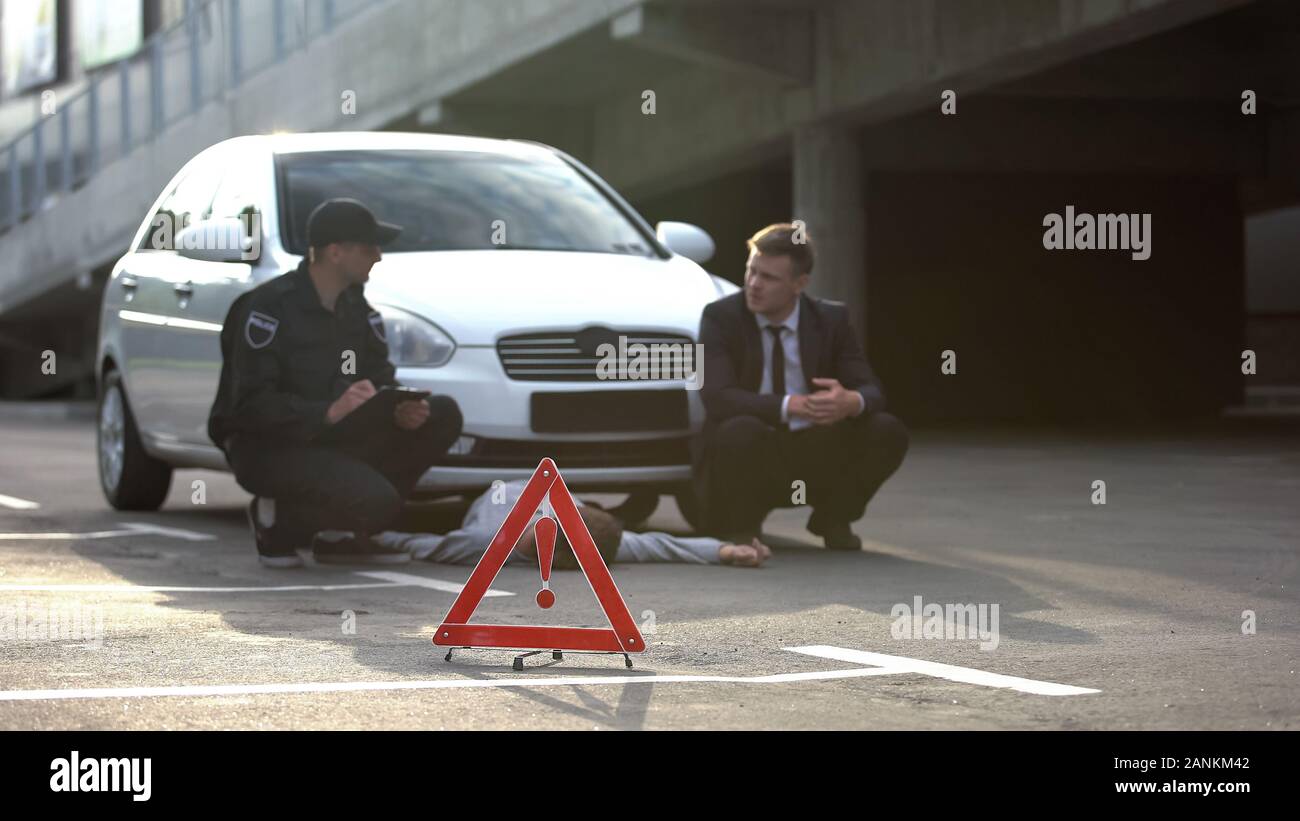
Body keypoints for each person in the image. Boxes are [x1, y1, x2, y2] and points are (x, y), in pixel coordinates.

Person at [208, 198, 463, 567]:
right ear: (335, 252)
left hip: (334, 440)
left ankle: (342, 534)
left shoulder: (357, 309)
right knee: (377, 500)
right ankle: (277, 522)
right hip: (269, 447)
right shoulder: (267, 309)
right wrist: (326, 412)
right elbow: (248, 407)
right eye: (369, 247)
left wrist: (401, 409)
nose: (378, 256)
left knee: (442, 414)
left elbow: (379, 379)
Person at [692, 222, 909, 550]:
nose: (753, 284)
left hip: (813, 450)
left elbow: (872, 390)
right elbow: (717, 397)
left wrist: (849, 401)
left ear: (800, 284)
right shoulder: (721, 316)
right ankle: (743, 528)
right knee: (740, 429)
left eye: (769, 277)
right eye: (752, 271)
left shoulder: (830, 320)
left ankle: (833, 517)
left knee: (887, 430)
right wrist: (788, 404)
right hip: (750, 453)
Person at [374, 480, 771, 567]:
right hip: (496, 491)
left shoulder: (483, 542)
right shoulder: (488, 540)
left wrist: (727, 551)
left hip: (483, 509)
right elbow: (422, 543)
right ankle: (616, 509)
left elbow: (663, 546)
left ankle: (617, 511)